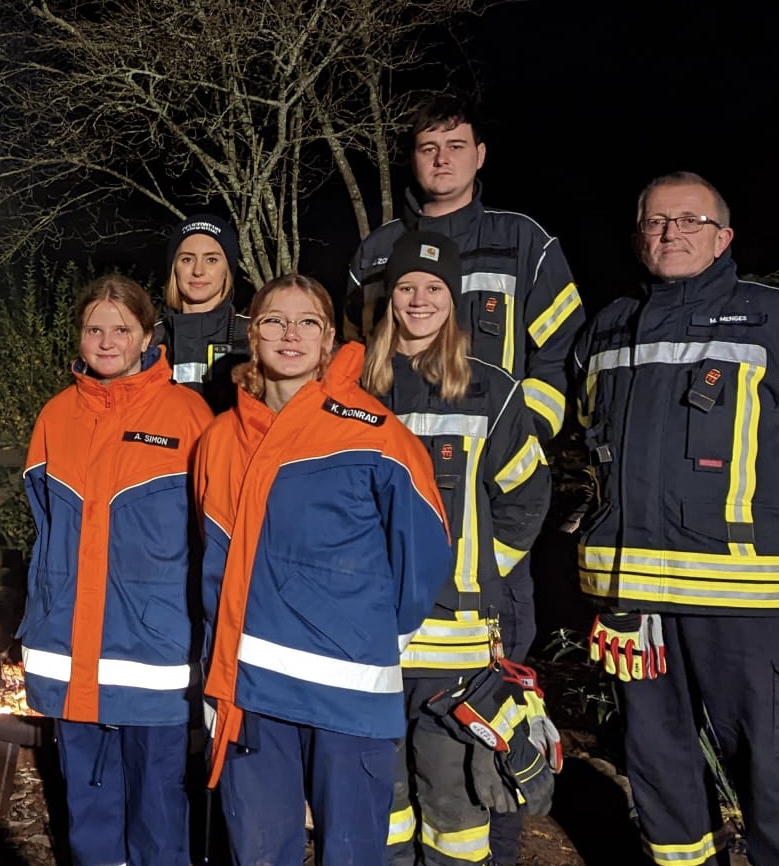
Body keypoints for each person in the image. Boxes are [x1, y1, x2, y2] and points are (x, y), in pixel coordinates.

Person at [569, 172, 779, 866]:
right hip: (635, 596)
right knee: (657, 762)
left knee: (772, 764)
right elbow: (591, 439)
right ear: (639, 235)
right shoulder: (607, 327)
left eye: (689, 220)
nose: (671, 232)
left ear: (723, 237)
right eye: (655, 221)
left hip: (749, 596)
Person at [344, 97, 584, 864]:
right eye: (426, 147)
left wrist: (523, 428)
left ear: (480, 154)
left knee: (479, 738)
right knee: (392, 764)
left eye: (456, 145)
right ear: (411, 159)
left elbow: (560, 357)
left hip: (481, 540)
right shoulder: (378, 250)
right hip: (387, 591)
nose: (441, 158)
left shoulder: (526, 244)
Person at [195, 274, 453, 866]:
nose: (291, 334)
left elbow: (425, 547)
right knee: (257, 854)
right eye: (273, 321)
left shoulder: (375, 433)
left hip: (348, 697)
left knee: (350, 855)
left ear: (330, 337)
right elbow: (212, 568)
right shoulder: (218, 439)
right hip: (252, 696)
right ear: (251, 335)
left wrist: (373, 640)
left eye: (307, 321)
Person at [360, 232, 550, 864]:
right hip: (368, 637)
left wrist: (478, 575)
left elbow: (526, 494)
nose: (418, 300)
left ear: (455, 299)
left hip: (456, 643)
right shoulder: (356, 383)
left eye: (434, 289)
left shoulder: (490, 390)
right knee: (380, 806)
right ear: (389, 298)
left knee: (454, 806)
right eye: (407, 287)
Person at [19, 274, 212, 866]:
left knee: (158, 809)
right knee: (90, 809)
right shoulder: (56, 415)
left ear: (147, 334)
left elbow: (213, 535)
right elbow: (44, 524)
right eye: (93, 328)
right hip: (71, 650)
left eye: (120, 329)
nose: (105, 341)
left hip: (153, 654)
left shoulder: (187, 415)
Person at [155, 214, 251, 413]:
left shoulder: (253, 334)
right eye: (187, 259)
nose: (198, 270)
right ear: (174, 268)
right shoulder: (147, 339)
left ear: (227, 269)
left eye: (211, 259)